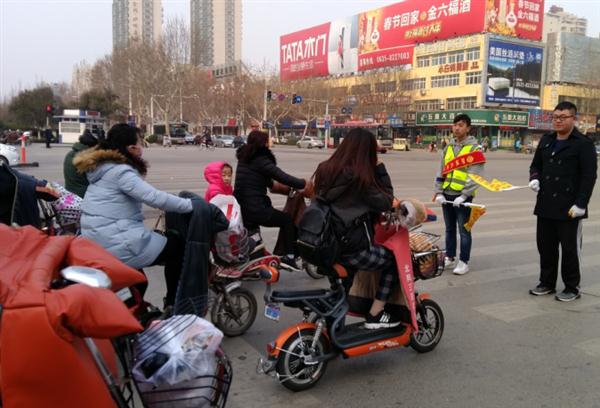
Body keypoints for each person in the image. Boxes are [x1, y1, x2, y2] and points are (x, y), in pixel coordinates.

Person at [74, 123, 194, 306]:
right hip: (116, 241)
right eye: (140, 142)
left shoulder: (102, 168)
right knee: (177, 247)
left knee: (138, 281)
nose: (141, 147)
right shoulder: (120, 172)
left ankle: (133, 312)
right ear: (131, 148)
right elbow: (154, 198)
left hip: (99, 239)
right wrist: (191, 205)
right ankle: (173, 303)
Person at [313, 128, 399, 329]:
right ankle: (375, 314)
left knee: (341, 289)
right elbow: (386, 200)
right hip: (348, 247)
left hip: (322, 244)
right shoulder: (360, 177)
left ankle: (334, 330)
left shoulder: (324, 168)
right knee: (393, 261)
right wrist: (379, 168)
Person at [528, 101, 597, 302]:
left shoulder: (583, 144)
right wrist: (534, 178)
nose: (558, 121)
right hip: (545, 204)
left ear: (573, 119)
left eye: (563, 117)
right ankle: (547, 282)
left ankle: (572, 287)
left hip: (570, 207)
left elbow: (589, 176)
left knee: (570, 250)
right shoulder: (547, 140)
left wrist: (581, 204)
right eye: (555, 117)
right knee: (545, 247)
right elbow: (535, 166)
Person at [234, 130, 306, 270]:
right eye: (268, 140)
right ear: (263, 143)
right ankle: (289, 257)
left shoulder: (245, 159)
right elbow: (282, 176)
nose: (270, 142)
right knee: (286, 220)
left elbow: (263, 180)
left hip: (243, 208)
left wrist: (276, 186)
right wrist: (303, 183)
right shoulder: (261, 160)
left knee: (254, 235)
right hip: (256, 209)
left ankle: (255, 262)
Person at [433, 114, 485, 275]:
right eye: (455, 125)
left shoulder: (475, 149)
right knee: (449, 229)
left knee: (464, 230)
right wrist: (438, 191)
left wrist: (464, 195)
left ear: (468, 128)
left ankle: (464, 261)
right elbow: (441, 170)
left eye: (461, 125)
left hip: (463, 197)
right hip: (447, 194)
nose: (456, 128)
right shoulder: (448, 147)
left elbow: (475, 175)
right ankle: (450, 257)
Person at [63, 129, 99, 197]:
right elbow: (94, 179)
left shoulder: (69, 154)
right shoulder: (85, 158)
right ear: (90, 147)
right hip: (82, 195)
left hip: (69, 192)